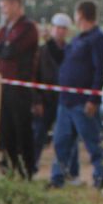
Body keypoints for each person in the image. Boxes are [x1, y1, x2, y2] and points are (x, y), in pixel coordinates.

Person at [50, 1, 103, 190]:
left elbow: (100, 70)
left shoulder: (98, 39)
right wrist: (52, 43)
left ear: (81, 15)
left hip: (83, 102)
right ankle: (57, 179)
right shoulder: (78, 39)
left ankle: (100, 180)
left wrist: (94, 98)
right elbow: (63, 58)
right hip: (66, 101)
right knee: (61, 142)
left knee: (93, 143)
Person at [0, 0, 39, 178]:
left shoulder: (28, 28)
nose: (3, 11)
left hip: (20, 87)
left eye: (5, 7)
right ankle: (10, 167)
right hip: (3, 86)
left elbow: (10, 51)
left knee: (21, 128)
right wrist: (2, 48)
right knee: (6, 129)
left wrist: (2, 48)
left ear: (16, 5)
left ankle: (27, 171)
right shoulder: (6, 28)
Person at [32, 12, 70, 173]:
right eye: (57, 28)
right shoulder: (41, 51)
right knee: (38, 135)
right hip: (44, 100)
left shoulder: (70, 51)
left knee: (65, 138)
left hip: (62, 100)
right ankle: (31, 166)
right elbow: (34, 76)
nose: (60, 31)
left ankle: (65, 171)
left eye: (63, 28)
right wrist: (37, 100)